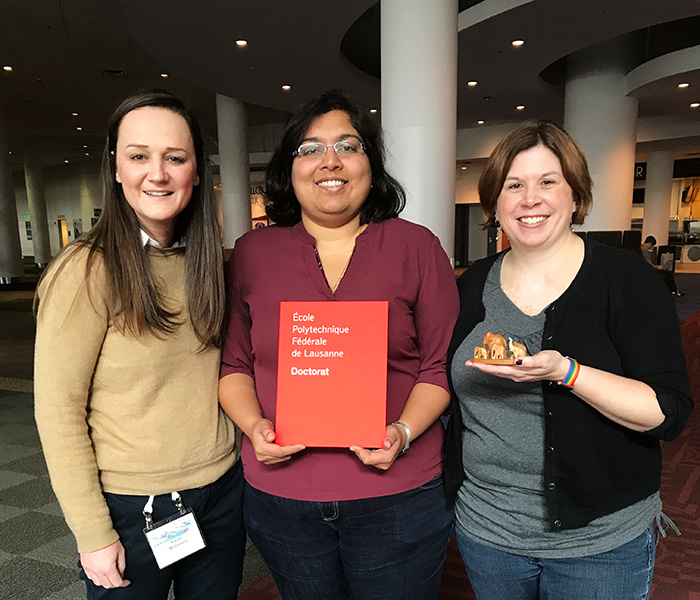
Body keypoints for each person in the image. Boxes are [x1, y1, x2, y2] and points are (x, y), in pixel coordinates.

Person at [219, 89, 459, 600]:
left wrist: (402, 431)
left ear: (371, 164)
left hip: (398, 495)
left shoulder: (416, 246)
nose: (330, 160)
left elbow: (438, 367)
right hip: (283, 499)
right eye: (310, 148)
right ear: (290, 167)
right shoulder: (251, 254)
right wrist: (254, 427)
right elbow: (233, 363)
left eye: (348, 146)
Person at [444, 121, 693, 600]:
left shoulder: (627, 280)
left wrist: (567, 372)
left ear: (576, 196)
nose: (529, 198)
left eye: (547, 182)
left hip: (599, 542)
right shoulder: (470, 285)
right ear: (495, 204)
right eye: (513, 185)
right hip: (488, 531)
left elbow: (668, 412)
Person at [34, 90, 245, 599]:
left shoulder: (210, 265)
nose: (158, 173)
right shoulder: (86, 269)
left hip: (220, 493)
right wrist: (92, 532)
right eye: (138, 156)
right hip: (132, 505)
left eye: (175, 157)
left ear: (196, 171)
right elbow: (58, 410)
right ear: (115, 168)